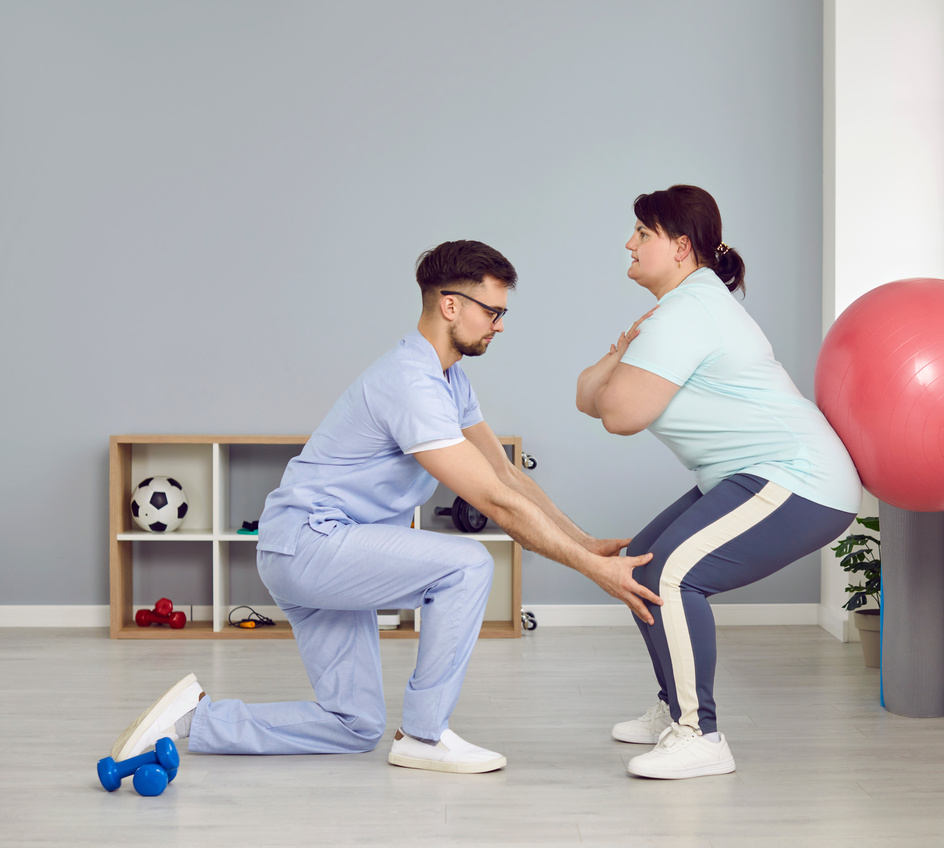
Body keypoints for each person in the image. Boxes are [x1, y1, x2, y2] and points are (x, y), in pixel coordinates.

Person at [112, 239, 661, 773]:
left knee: (353, 724)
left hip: (328, 547)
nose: (500, 325)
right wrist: (594, 570)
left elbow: (504, 474)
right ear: (451, 305)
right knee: (467, 566)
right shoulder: (410, 383)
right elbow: (494, 501)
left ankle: (194, 721)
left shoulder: (450, 380)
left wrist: (585, 542)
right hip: (310, 542)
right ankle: (424, 735)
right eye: (493, 311)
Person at [576, 185, 862, 779]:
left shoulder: (691, 312)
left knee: (671, 574)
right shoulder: (681, 310)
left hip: (797, 477)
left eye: (643, 233)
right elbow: (590, 399)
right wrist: (615, 374)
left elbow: (619, 415)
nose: (629, 243)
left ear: (681, 247)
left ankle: (698, 734)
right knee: (640, 563)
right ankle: (673, 707)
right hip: (749, 475)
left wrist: (615, 377)